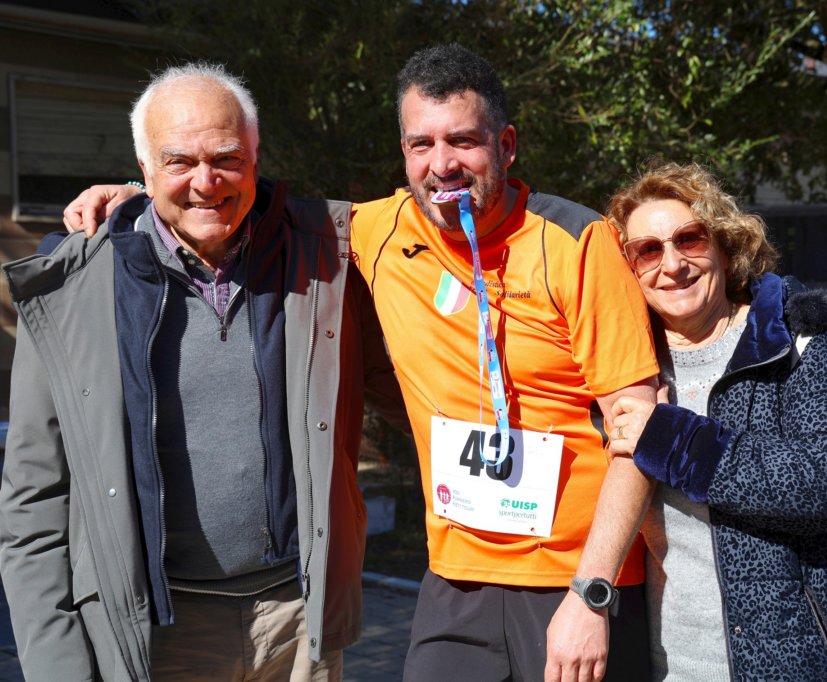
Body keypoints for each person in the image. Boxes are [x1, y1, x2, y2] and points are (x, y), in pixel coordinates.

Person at [61, 45, 659, 681]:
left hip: (577, 582)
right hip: (456, 579)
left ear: (506, 145)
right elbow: (231, 202)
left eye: (463, 141)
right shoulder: (375, 232)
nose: (442, 165)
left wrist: (592, 592)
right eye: (421, 144)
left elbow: (639, 426)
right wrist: (136, 195)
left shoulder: (577, 242)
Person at [1, 63, 403, 681]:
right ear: (144, 170)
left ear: (255, 158)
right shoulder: (73, 290)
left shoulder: (323, 257)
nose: (205, 182)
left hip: (298, 625)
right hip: (160, 633)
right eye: (179, 162)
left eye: (226, 159)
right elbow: (34, 502)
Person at [602, 161, 827, 680]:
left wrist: (674, 440)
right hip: (674, 664)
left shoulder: (799, 338)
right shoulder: (625, 371)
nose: (673, 264)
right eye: (647, 250)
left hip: (822, 659)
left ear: (723, 244)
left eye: (690, 239)